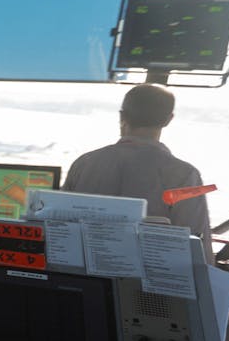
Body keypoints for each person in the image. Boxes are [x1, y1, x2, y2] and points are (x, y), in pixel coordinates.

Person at [63, 83, 214, 264]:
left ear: (122, 116)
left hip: (84, 280)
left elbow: (61, 226)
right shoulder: (184, 174)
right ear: (168, 120)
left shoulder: (84, 163)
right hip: (148, 287)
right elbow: (197, 247)